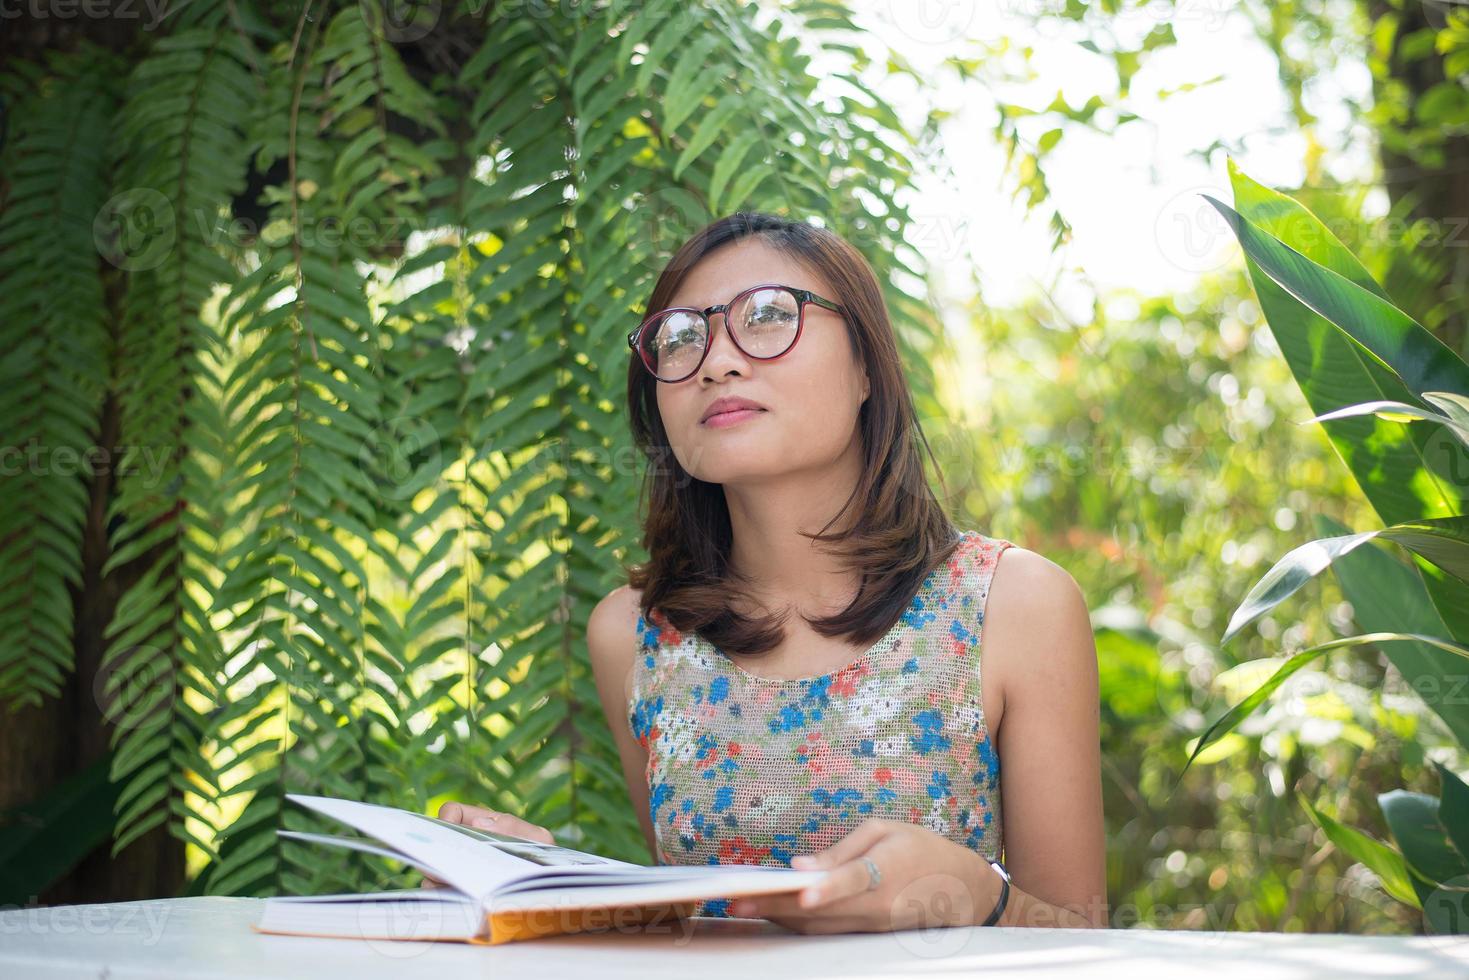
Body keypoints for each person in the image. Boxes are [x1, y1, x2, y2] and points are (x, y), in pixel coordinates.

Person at [438, 212, 1107, 932]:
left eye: (766, 317)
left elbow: (1083, 942)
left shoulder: (1013, 604)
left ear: (865, 369)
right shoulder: (632, 633)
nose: (716, 361)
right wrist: (538, 889)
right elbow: (690, 930)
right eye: (681, 336)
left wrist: (980, 895)